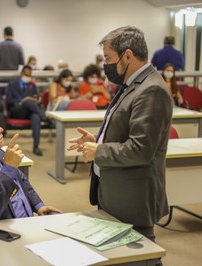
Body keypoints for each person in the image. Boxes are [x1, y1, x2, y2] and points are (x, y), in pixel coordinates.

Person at [68, 26, 173, 243]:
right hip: (116, 189)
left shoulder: (151, 90)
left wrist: (99, 150)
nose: (105, 65)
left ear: (127, 55)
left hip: (133, 197)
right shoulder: (132, 83)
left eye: (108, 58)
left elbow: (141, 150)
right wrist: (97, 141)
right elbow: (124, 132)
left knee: (140, 256)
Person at [6, 65, 51, 156]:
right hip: (17, 110)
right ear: (21, 73)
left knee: (36, 117)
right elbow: (9, 100)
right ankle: (46, 119)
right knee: (27, 102)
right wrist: (22, 101)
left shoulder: (32, 85)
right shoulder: (12, 84)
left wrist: (36, 100)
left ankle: (36, 146)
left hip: (29, 111)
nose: (28, 77)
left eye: (29, 75)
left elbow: (37, 99)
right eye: (26, 74)